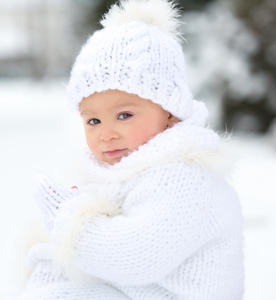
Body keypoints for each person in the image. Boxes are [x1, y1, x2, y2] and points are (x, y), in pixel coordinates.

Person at [18, 0, 244, 299]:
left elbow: (137, 258)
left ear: (170, 112)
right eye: (94, 121)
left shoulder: (183, 176)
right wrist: (52, 260)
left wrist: (67, 220)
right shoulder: (124, 172)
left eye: (124, 115)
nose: (107, 134)